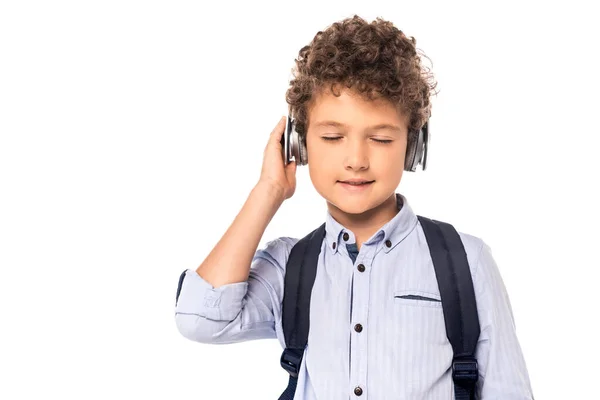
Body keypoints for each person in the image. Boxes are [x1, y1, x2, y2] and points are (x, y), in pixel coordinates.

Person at [174, 15, 534, 399]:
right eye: (332, 136)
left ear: (412, 148)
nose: (356, 160)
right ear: (300, 143)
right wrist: (268, 190)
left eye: (380, 139)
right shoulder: (290, 266)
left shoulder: (465, 261)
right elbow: (201, 319)